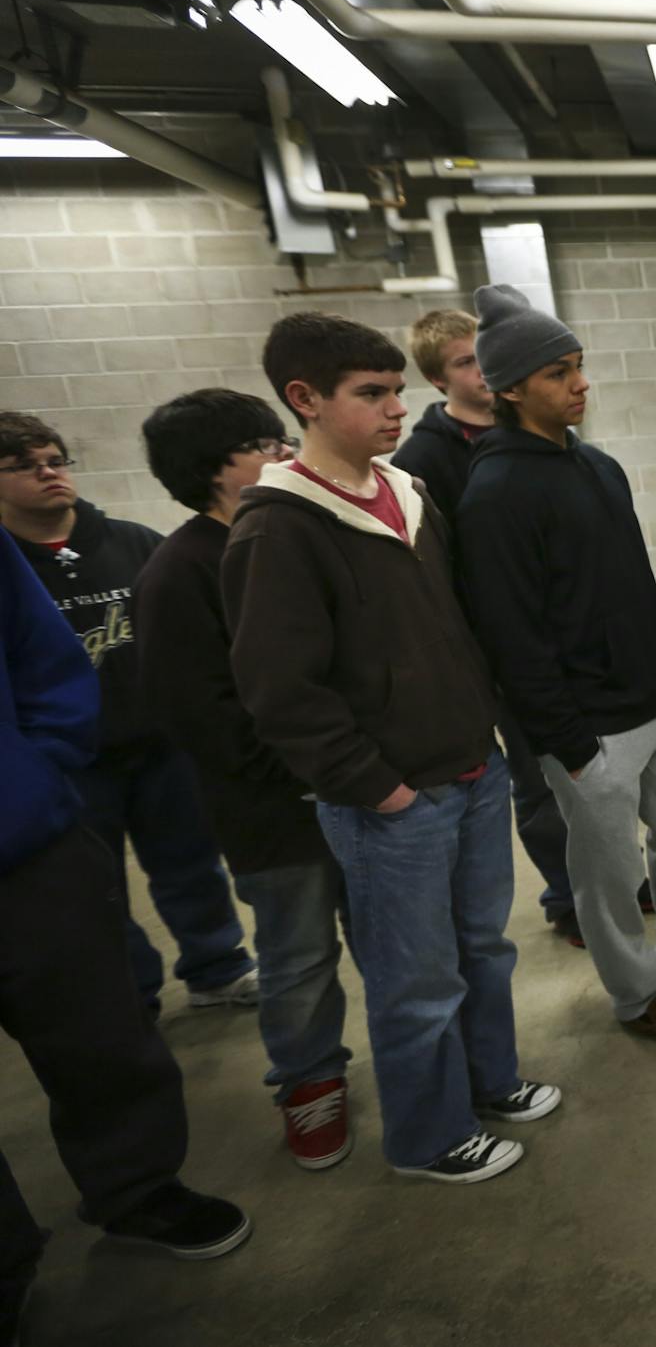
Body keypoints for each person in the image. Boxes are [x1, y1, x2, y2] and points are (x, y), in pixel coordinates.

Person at [223, 312, 559, 1184]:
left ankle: (492, 1084)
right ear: (305, 400)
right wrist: (379, 790)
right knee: (417, 984)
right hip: (394, 802)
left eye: (397, 391)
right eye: (370, 394)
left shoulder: (407, 494)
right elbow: (279, 691)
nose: (394, 409)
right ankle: (428, 1136)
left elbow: (452, 627)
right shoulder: (280, 524)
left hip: (472, 770)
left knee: (483, 950)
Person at [456, 285, 656, 1044]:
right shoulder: (494, 493)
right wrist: (570, 744)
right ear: (512, 389)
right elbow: (512, 639)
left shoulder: (597, 466)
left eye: (578, 366)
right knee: (606, 877)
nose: (580, 383)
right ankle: (636, 993)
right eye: (559, 372)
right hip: (591, 726)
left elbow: (630, 587)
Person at [3, 531, 250, 1344]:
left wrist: (41, 766)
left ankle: (137, 1187)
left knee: (98, 1029)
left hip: (23, 843)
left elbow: (41, 652)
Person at [135, 389, 358, 1171]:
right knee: (298, 960)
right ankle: (309, 1084)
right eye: (264, 442)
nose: (286, 451)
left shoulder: (294, 535)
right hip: (277, 813)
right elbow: (204, 717)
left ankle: (424, 1062)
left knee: (395, 938)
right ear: (213, 469)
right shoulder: (177, 573)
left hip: (358, 788)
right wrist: (312, 770)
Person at [0, 411, 256, 1016]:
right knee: (98, 887)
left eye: (56, 460)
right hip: (71, 762)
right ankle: (131, 990)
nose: (48, 474)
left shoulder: (132, 542)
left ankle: (217, 968)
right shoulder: (11, 569)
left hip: (160, 745)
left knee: (191, 865)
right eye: (24, 467)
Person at [391, 308, 585, 944]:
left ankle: (613, 877)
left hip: (567, 636)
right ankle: (568, 898)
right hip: (497, 647)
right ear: (437, 378)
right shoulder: (422, 458)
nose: (480, 369)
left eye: (483, 355)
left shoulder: (542, 432)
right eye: (463, 362)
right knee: (538, 779)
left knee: (593, 769)